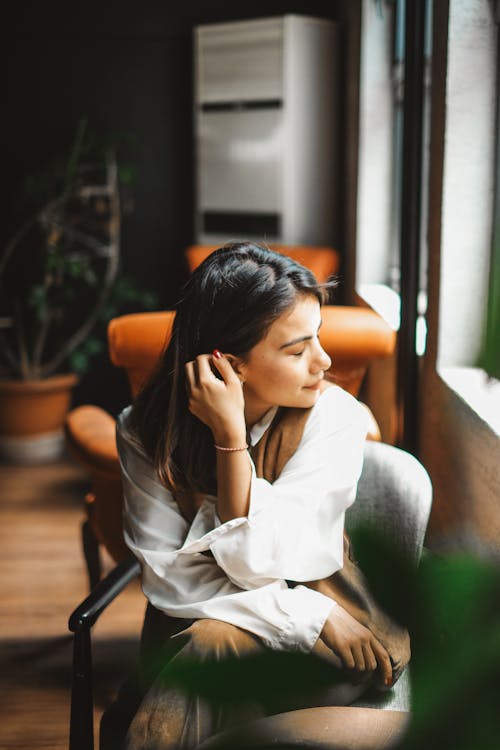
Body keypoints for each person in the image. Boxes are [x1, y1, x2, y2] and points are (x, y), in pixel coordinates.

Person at [114, 243, 410, 750]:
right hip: (279, 625)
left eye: (317, 338)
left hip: (343, 637)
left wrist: (231, 444)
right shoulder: (144, 431)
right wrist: (304, 615)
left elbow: (266, 559)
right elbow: (169, 578)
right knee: (210, 649)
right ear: (229, 365)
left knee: (207, 654)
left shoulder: (335, 416)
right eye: (297, 350)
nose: (325, 360)